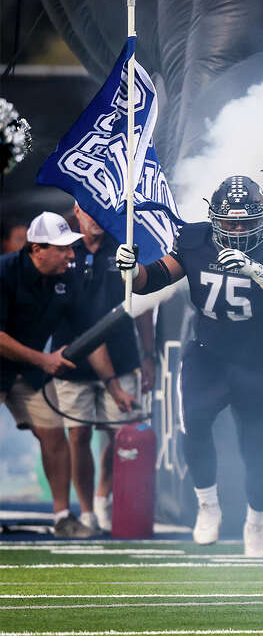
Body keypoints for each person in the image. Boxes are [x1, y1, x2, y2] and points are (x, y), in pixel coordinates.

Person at [117, 176, 263, 557]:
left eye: (245, 222)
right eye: (230, 222)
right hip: (210, 356)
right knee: (196, 424)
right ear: (214, 218)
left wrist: (258, 271)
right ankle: (207, 505)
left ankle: (257, 520)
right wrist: (132, 269)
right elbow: (151, 280)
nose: (237, 230)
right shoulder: (194, 239)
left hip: (262, 363)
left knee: (258, 450)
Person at [1, 211, 136, 538]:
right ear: (37, 249)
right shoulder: (4, 272)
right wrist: (43, 360)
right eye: (62, 249)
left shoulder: (66, 280)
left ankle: (63, 518)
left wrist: (113, 386)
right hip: (22, 361)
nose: (71, 255)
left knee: (54, 435)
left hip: (26, 370)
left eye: (71, 248)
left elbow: (88, 337)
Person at [51, 203, 156, 532]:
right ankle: (86, 511)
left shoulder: (123, 247)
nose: (95, 218)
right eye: (88, 211)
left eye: (101, 211)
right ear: (76, 211)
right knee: (78, 435)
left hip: (123, 355)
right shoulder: (64, 250)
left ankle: (103, 496)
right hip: (73, 358)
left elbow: (144, 305)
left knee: (120, 435)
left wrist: (149, 355)